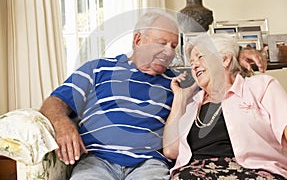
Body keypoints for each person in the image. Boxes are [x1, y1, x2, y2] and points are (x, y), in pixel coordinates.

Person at [39, 10, 268, 180]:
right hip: (97, 160)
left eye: (173, 46)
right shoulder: (97, 69)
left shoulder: (179, 80)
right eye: (161, 43)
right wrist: (62, 123)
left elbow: (216, 73)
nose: (169, 52)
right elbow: (54, 102)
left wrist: (238, 54)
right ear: (138, 40)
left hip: (150, 163)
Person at [164, 33, 287, 180]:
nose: (195, 65)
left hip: (256, 170)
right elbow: (171, 150)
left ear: (225, 59)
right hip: (196, 173)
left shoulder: (260, 87)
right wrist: (179, 98)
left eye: (201, 57)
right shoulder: (193, 105)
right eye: (192, 63)